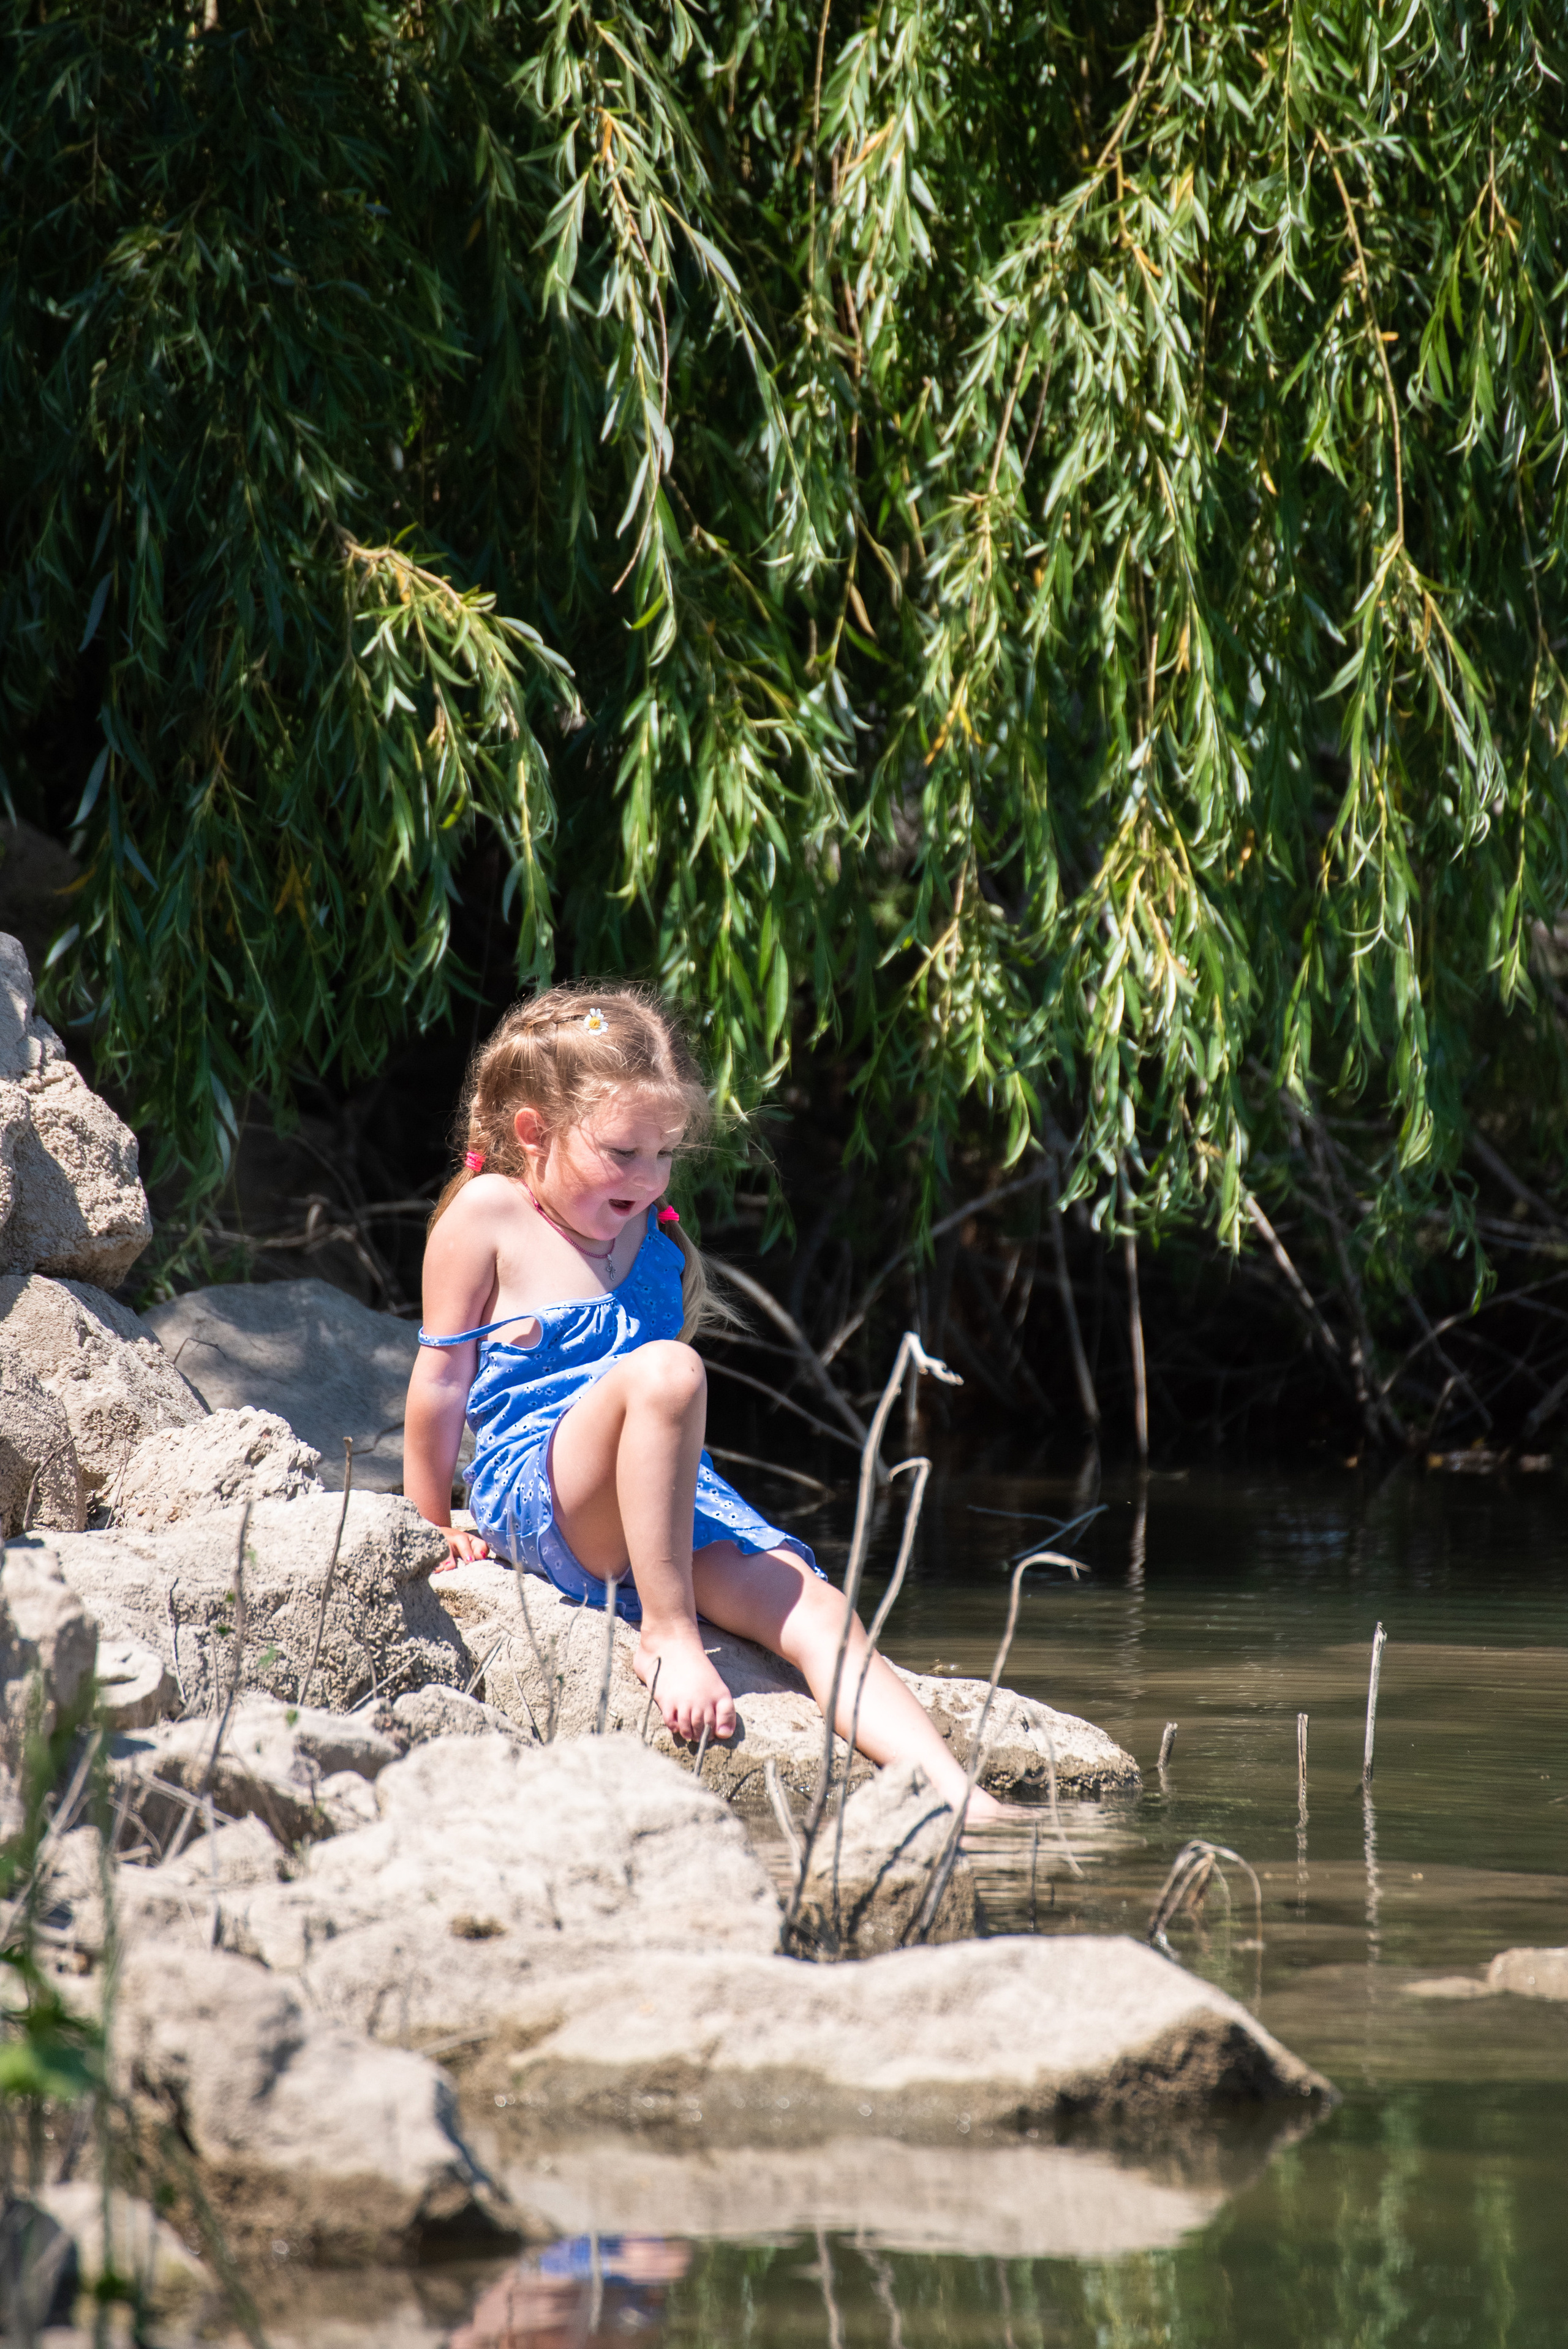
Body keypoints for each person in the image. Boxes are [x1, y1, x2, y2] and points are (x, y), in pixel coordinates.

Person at [403, 983, 1008, 1821]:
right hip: (548, 1489)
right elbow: (441, 1381)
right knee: (670, 1372)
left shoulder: (649, 1240)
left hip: (667, 1508)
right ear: (532, 1132)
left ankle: (959, 1797)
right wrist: (429, 1519)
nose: (649, 1179)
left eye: (666, 1156)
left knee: (815, 1603)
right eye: (623, 1153)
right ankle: (668, 1632)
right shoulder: (493, 1211)